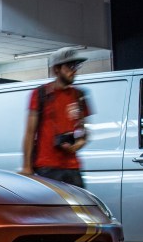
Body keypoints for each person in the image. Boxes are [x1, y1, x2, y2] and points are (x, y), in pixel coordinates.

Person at [20, 47, 91, 188]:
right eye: (70, 66)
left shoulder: (79, 95)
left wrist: (78, 144)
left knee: (78, 208)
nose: (74, 70)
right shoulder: (40, 94)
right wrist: (27, 166)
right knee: (50, 209)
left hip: (72, 167)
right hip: (47, 167)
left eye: (76, 66)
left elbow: (84, 132)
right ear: (56, 69)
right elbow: (29, 132)